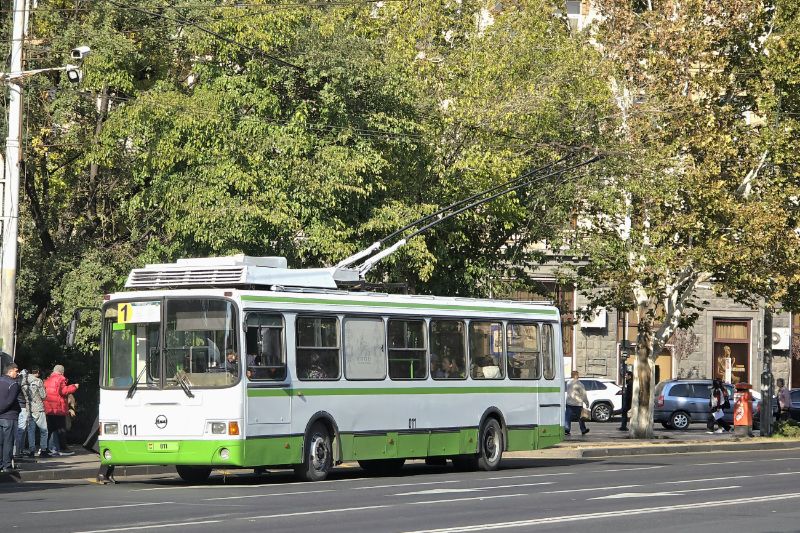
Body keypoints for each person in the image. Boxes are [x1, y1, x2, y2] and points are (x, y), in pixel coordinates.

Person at [44, 364, 79, 456]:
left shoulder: (47, 380)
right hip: (58, 408)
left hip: (49, 409)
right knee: (61, 430)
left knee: (50, 429)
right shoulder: (60, 379)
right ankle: (62, 449)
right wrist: (74, 386)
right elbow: (63, 391)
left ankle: (48, 448)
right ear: (61, 371)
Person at [20, 367, 48, 457]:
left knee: (31, 431)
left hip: (29, 408)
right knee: (44, 430)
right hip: (38, 408)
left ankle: (31, 451)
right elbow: (43, 395)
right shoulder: (38, 381)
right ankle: (43, 450)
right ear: (38, 372)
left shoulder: (23, 382)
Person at [0, 362, 20, 472]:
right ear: (10, 371)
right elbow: (9, 401)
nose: (17, 374)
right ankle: (6, 465)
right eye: (16, 371)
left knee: (0, 442)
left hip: (1, 417)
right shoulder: (13, 384)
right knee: (8, 441)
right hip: (9, 416)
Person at [565, 370, 590, 436]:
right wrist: (586, 402)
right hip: (577, 403)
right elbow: (583, 394)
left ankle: (567, 429)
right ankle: (583, 430)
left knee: (568, 417)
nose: (579, 376)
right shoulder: (580, 384)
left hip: (569, 402)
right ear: (576, 375)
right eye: (578, 375)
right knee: (580, 418)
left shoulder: (568, 383)